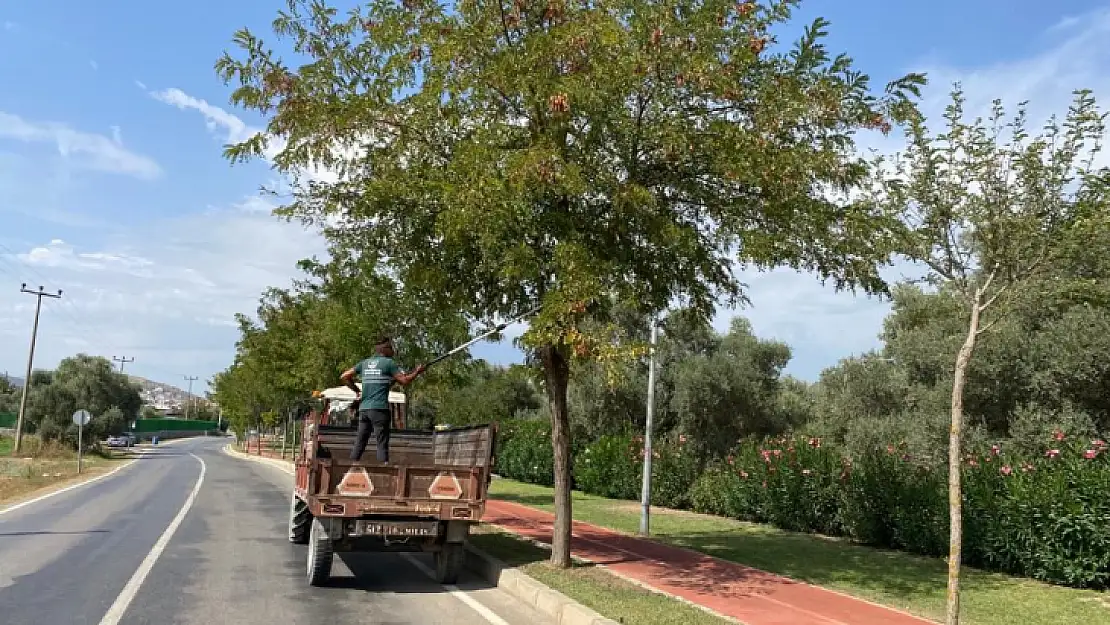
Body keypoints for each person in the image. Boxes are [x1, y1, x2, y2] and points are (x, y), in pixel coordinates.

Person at [341, 336, 426, 462]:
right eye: (391, 348)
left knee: (360, 442)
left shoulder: (364, 363)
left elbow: (344, 376)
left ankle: (349, 469)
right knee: (382, 443)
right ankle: (384, 471)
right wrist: (417, 372)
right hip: (379, 409)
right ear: (384, 349)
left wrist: (357, 391)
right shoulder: (388, 363)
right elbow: (404, 381)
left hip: (364, 410)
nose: (393, 351)